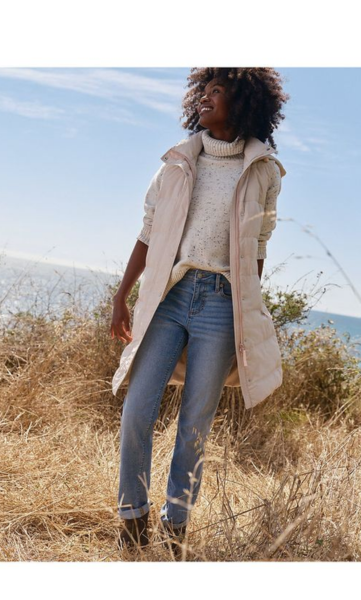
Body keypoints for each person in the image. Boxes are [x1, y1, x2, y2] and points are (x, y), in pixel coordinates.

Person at [110, 67, 289, 556]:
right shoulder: (177, 163)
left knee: (195, 426)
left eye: (219, 91)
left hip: (221, 305)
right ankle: (132, 517)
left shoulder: (264, 170)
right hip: (169, 297)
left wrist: (245, 314)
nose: (207, 98)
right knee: (136, 411)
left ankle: (175, 528)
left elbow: (257, 252)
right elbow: (148, 234)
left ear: (245, 102)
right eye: (204, 91)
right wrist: (121, 296)